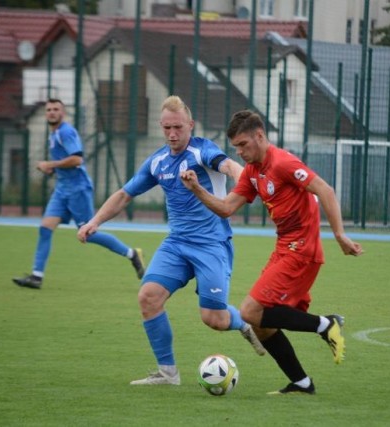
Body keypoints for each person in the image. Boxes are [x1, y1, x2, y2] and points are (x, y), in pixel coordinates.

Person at [77, 96, 265, 386]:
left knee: (213, 318)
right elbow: (125, 195)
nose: (172, 134)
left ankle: (243, 324)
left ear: (190, 125)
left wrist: (247, 178)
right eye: (167, 128)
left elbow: (229, 166)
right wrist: (94, 222)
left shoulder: (203, 150)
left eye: (178, 127)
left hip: (211, 243)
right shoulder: (157, 162)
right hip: (176, 244)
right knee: (148, 297)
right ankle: (168, 374)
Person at [181, 110, 363, 395]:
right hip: (284, 247)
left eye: (243, 145)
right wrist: (196, 189)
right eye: (236, 148)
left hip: (302, 250)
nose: (240, 152)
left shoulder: (283, 162)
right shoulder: (253, 172)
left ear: (260, 136)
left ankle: (327, 324)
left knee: (249, 311)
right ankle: (302, 383)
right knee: (261, 323)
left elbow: (324, 190)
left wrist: (339, 234)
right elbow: (227, 208)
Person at [13, 98, 144, 290]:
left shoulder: (66, 132)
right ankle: (36, 276)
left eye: (56, 109)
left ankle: (132, 254)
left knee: (88, 233)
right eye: (48, 109)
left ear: (62, 113)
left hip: (78, 189)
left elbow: (76, 159)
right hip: (62, 190)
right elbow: (66, 162)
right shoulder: (54, 134)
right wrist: (54, 169)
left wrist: (51, 164)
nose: (51, 112)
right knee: (45, 228)